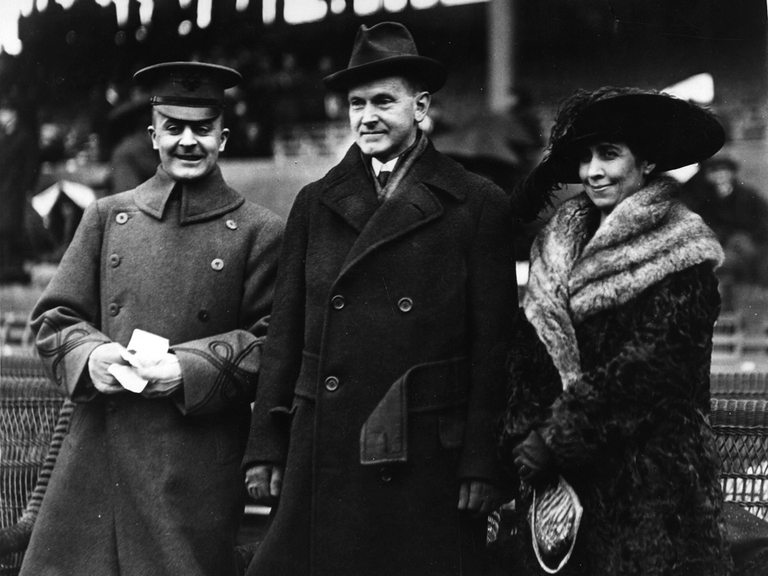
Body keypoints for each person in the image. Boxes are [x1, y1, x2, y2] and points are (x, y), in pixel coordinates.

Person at [242, 22, 517, 576]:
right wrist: (266, 446)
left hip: (426, 452)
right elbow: (285, 333)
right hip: (325, 443)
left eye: (383, 101)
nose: (367, 116)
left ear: (421, 107)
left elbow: (495, 348)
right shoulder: (314, 203)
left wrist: (483, 461)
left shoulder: (477, 203)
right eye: (356, 103)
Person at [22, 61, 284, 576]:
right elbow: (54, 318)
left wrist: (187, 369)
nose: (188, 141)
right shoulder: (106, 216)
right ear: (153, 135)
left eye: (202, 129)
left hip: (192, 469)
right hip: (95, 460)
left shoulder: (260, 231)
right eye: (174, 128)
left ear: (222, 137)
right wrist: (91, 356)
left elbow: (274, 343)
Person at [499, 87, 733, 576]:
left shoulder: (681, 250)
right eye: (585, 158)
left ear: (646, 163)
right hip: (560, 492)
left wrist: (556, 437)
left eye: (609, 154)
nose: (593, 172)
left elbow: (654, 368)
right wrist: (526, 432)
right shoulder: (555, 248)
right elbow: (530, 350)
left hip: (652, 490)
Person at [679, 155, 768, 287]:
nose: (720, 175)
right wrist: (724, 237)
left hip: (749, 241)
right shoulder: (701, 199)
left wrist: (749, 237)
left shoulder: (748, 195)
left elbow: (763, 220)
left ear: (732, 173)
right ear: (707, 176)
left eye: (724, 170)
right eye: (714, 171)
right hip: (719, 243)